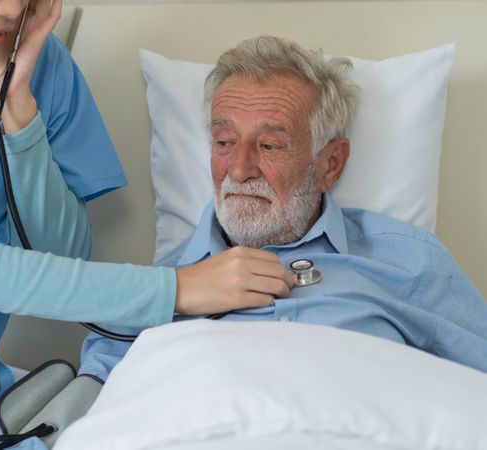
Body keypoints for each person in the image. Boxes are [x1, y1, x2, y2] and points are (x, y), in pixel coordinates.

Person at [0, 2, 290, 448]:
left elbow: (64, 253)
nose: (13, 9)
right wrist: (177, 289)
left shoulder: (38, 62)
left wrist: (19, 114)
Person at [79, 35, 487, 383]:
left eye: (270, 145)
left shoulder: (409, 263)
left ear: (330, 163)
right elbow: (93, 414)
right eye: (223, 142)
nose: (238, 169)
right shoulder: (151, 291)